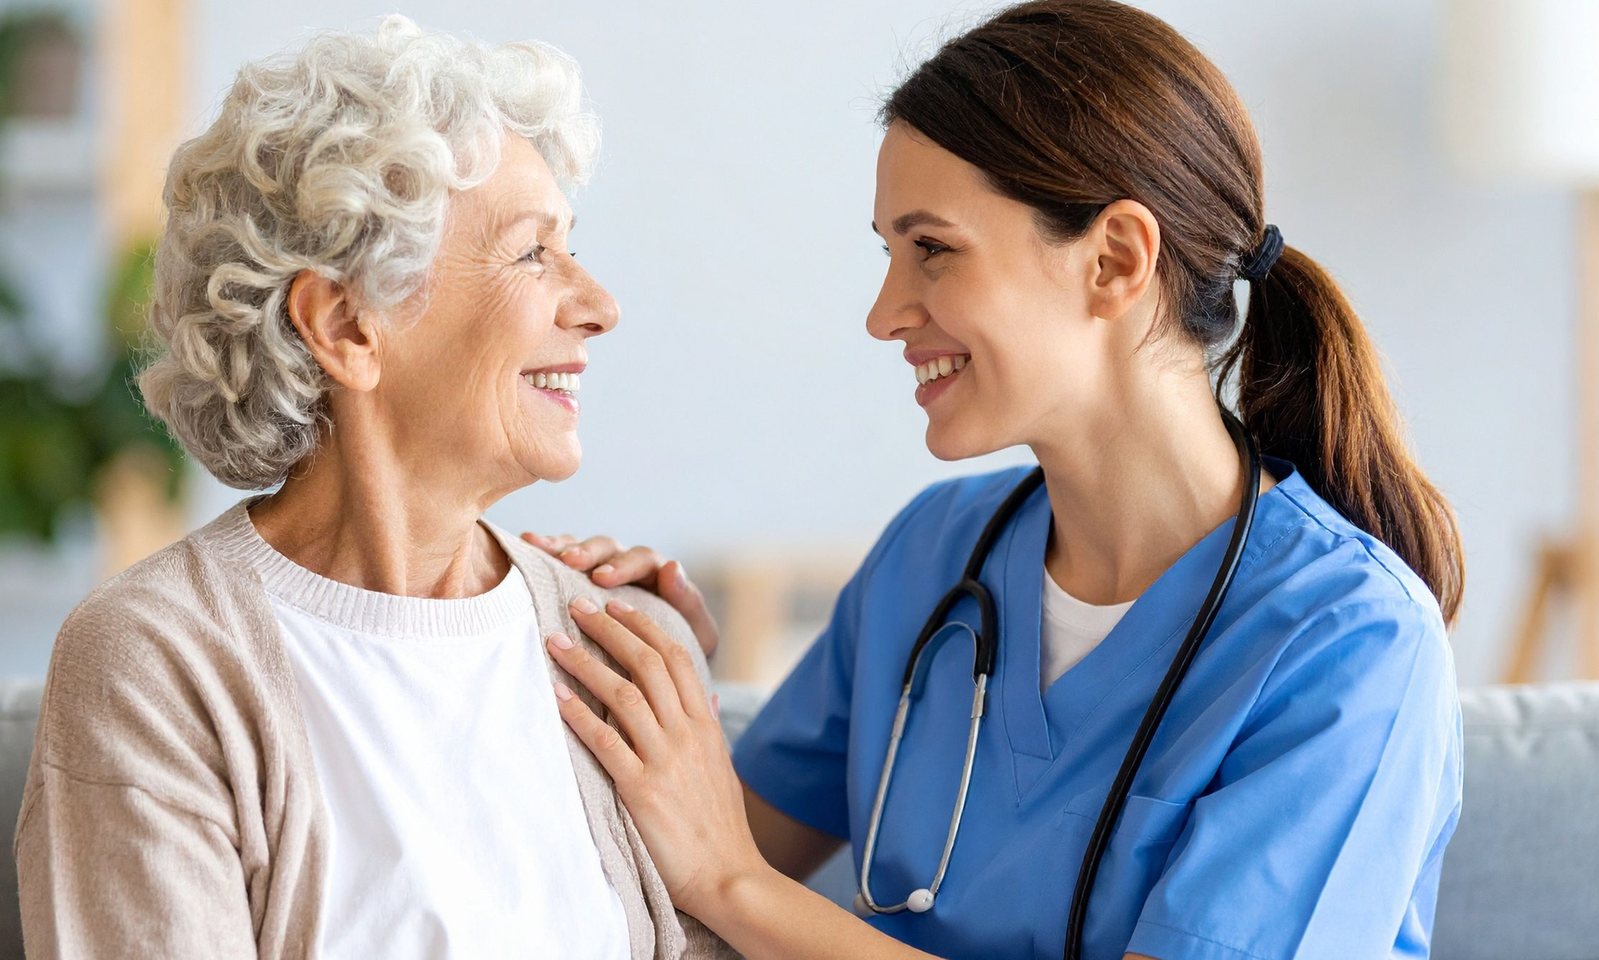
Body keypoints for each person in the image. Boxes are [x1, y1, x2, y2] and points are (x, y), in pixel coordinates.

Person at [531, 2, 1464, 958]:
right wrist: (656, 668)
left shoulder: (1349, 643)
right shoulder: (929, 558)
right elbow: (657, 885)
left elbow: (723, 875)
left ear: (1115, 260)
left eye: (932, 249)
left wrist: (735, 885)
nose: (885, 314)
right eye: (887, 254)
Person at [13, 18, 735, 960]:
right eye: (532, 254)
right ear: (347, 325)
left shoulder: (619, 650)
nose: (598, 304)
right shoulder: (157, 664)